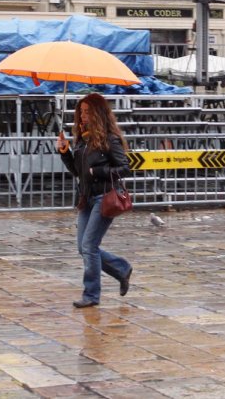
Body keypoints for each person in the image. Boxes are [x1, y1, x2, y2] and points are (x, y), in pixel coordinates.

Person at [57, 93, 134, 309]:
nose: (83, 116)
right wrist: (65, 152)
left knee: (89, 246)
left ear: (98, 113)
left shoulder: (110, 139)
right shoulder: (83, 138)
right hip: (86, 197)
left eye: (87, 112)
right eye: (81, 112)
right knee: (83, 247)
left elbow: (125, 168)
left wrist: (98, 171)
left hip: (104, 197)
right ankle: (121, 268)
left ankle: (91, 294)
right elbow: (78, 171)